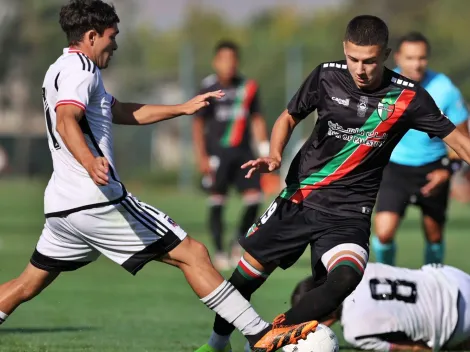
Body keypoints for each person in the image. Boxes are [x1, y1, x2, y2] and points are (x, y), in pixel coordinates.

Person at [0, 2, 319, 352]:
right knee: (193, 253)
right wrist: (91, 162)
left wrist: (182, 108)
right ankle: (260, 335)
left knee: (28, 283)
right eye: (112, 37)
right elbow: (66, 120)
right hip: (96, 200)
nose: (115, 45)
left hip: (63, 206)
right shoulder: (83, 69)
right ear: (91, 36)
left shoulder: (60, 68)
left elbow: (119, 110)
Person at [195, 14, 470, 352]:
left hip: (349, 213)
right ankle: (216, 343)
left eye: (369, 61)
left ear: (385, 55)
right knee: (245, 278)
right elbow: (288, 117)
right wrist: (276, 154)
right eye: (353, 58)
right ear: (344, 49)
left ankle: (269, 340)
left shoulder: (408, 97)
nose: (360, 68)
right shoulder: (327, 75)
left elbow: (459, 141)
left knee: (346, 277)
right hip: (299, 198)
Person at [373, 32, 469, 266]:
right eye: (410, 57)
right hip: (395, 169)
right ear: (398, 57)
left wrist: (446, 171)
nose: (416, 64)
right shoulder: (383, 84)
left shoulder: (445, 89)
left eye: (422, 58)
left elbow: (462, 140)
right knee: (384, 233)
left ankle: (433, 284)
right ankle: (388, 280)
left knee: (434, 235)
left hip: (434, 169)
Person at [193, 40, 270, 270]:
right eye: (224, 59)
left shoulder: (248, 87)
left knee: (255, 198)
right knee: (217, 201)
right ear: (216, 62)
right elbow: (198, 124)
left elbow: (256, 118)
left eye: (233, 59)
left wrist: (264, 148)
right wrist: (202, 156)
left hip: (244, 153)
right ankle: (218, 251)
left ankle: (238, 241)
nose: (229, 64)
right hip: (217, 154)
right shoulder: (209, 87)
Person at [291, 263, 470, 351]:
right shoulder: (357, 271)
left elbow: (417, 349)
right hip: (453, 278)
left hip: (458, 324)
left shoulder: (355, 332)